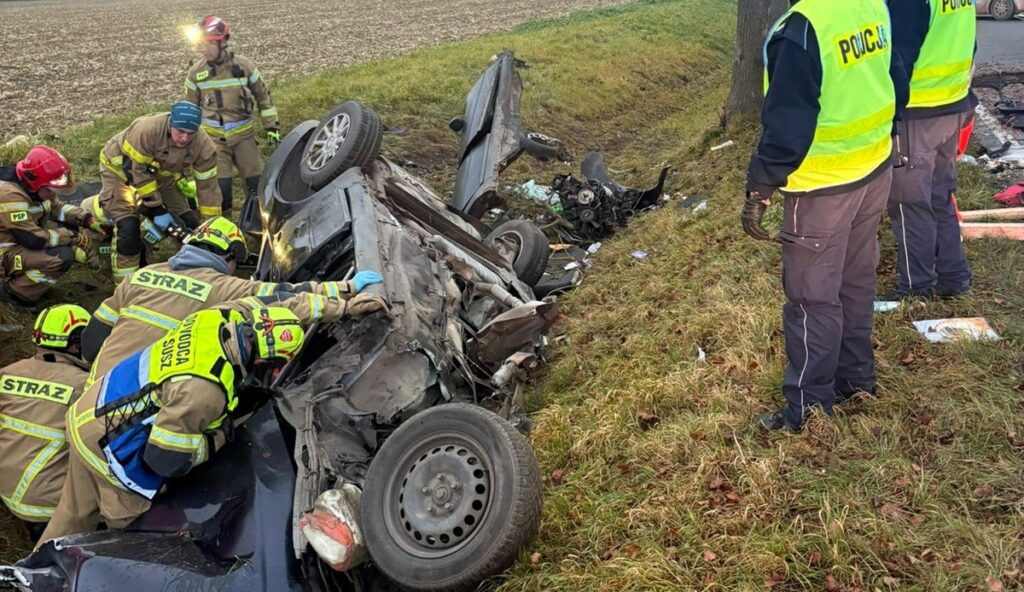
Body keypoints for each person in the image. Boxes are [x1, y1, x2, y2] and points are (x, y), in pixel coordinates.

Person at [37, 291, 387, 544]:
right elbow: (164, 459)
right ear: (262, 361)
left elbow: (283, 303)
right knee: (132, 529)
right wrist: (221, 435)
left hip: (90, 409)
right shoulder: (206, 390)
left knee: (72, 513)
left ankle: (30, 574)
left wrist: (341, 306)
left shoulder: (222, 317)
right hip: (107, 448)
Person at [741, 0, 906, 431]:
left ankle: (809, 408)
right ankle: (856, 379)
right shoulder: (871, 6)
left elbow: (787, 126)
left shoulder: (801, 29)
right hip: (873, 169)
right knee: (854, 283)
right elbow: (896, 77)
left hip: (822, 187)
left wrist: (759, 189)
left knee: (812, 299)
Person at [81, 216, 383, 386]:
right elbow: (286, 295)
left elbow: (92, 341)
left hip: (95, 388)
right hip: (145, 396)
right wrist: (345, 291)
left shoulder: (142, 276)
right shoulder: (222, 287)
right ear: (227, 257)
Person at [885, 0, 976, 299]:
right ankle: (954, 277)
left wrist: (888, 111)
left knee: (909, 203)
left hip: (918, 110)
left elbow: (899, 56)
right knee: (939, 194)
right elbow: (970, 43)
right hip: (951, 102)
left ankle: (916, 289)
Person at [97, 101, 222, 279]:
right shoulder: (147, 131)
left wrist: (211, 226)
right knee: (128, 228)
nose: (185, 139)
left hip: (161, 178)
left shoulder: (204, 147)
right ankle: (127, 285)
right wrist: (156, 208)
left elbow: (208, 188)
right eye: (180, 132)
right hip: (119, 173)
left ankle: (196, 273)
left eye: (190, 134)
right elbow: (134, 170)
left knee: (188, 223)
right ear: (171, 124)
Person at [0, 305, 90, 533]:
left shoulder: (8, 372)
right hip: (46, 507)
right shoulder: (85, 386)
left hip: (4, 487)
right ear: (77, 342)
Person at [184, 15, 280, 220]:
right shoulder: (196, 72)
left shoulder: (244, 66)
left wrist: (271, 125)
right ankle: (224, 229)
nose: (203, 49)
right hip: (213, 142)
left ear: (223, 41)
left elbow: (263, 95)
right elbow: (190, 109)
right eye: (200, 44)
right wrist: (188, 144)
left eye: (208, 43)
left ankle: (258, 224)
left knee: (256, 186)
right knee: (222, 190)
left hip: (244, 138)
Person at [0, 146, 103, 303]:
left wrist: (87, 220)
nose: (54, 193)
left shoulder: (37, 188)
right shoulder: (10, 195)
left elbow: (58, 209)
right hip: (5, 251)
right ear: (35, 183)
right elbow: (34, 239)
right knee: (61, 257)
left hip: (20, 239)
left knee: (62, 239)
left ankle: (31, 285)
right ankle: (16, 294)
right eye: (51, 189)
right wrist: (72, 237)